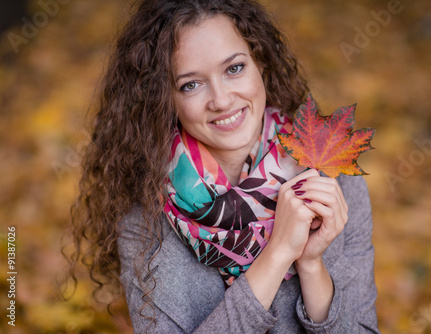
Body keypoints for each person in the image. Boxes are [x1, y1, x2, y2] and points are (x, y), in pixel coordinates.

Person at [68, 0, 380, 332]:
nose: (221, 99)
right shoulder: (146, 222)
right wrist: (277, 254)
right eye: (191, 84)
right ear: (163, 98)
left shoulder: (329, 179)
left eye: (234, 68)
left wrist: (311, 264)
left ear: (259, 62)